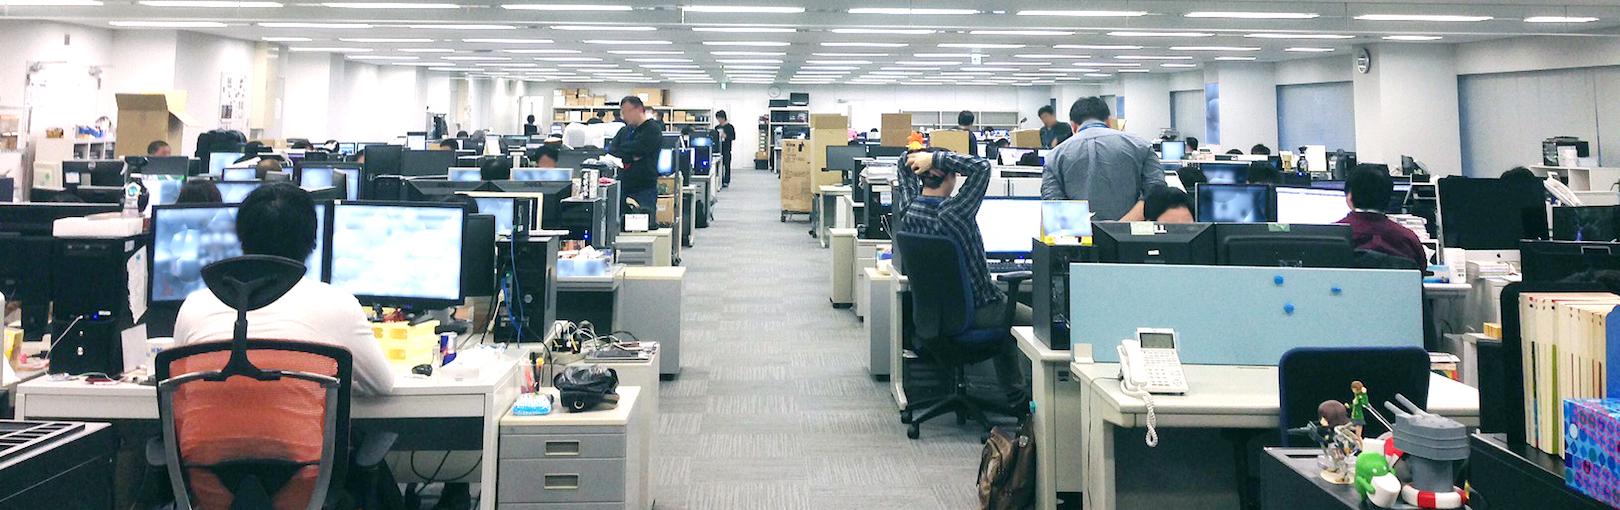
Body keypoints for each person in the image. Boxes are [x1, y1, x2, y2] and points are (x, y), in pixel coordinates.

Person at [172, 183, 396, 396]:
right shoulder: (339, 306)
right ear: (312, 242)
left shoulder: (194, 306)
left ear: (241, 238)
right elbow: (381, 384)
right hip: (303, 425)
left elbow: (176, 385)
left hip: (207, 426)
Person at [892, 148, 1026, 400]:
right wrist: (934, 159)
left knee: (1008, 322)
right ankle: (1018, 397)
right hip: (980, 310)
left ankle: (1015, 395)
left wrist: (920, 156)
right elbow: (982, 167)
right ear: (952, 177)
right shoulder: (955, 212)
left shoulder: (910, 211)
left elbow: (902, 166)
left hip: (934, 317)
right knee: (1042, 324)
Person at [1040, 96, 1165, 221]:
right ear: (1109, 121)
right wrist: (1121, 226)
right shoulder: (1142, 146)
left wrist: (1089, 229)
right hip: (1132, 231)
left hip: (1078, 231)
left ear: (1073, 126)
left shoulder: (1053, 157)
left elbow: (1054, 203)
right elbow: (1156, 193)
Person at [1339, 164, 1426, 267]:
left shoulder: (1328, 237)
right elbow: (1421, 272)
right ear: (1389, 198)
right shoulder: (1408, 240)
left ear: (1349, 197)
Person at [608, 95, 664, 214]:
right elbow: (612, 150)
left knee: (642, 221)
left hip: (644, 189)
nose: (624, 116)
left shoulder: (652, 130)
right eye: (622, 113)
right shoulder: (624, 131)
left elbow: (639, 149)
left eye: (626, 112)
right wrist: (631, 157)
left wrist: (624, 154)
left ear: (638, 109)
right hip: (623, 187)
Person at [714, 110, 736, 188]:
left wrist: (725, 136)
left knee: (727, 165)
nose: (718, 120)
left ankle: (726, 181)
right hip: (718, 149)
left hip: (727, 149)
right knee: (718, 166)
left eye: (719, 119)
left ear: (723, 118)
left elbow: (733, 137)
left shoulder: (730, 127)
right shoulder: (717, 127)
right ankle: (719, 180)